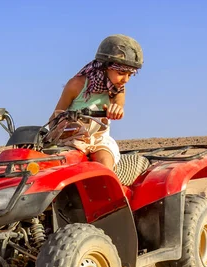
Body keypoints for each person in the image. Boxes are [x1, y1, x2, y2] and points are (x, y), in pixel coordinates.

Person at [46, 34, 143, 170]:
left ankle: (108, 189)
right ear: (104, 67)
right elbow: (55, 117)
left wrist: (117, 109)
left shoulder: (116, 88)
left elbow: (118, 102)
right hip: (72, 140)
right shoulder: (76, 85)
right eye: (121, 73)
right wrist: (62, 122)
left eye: (130, 74)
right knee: (62, 166)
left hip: (98, 139)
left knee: (105, 163)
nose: (125, 79)